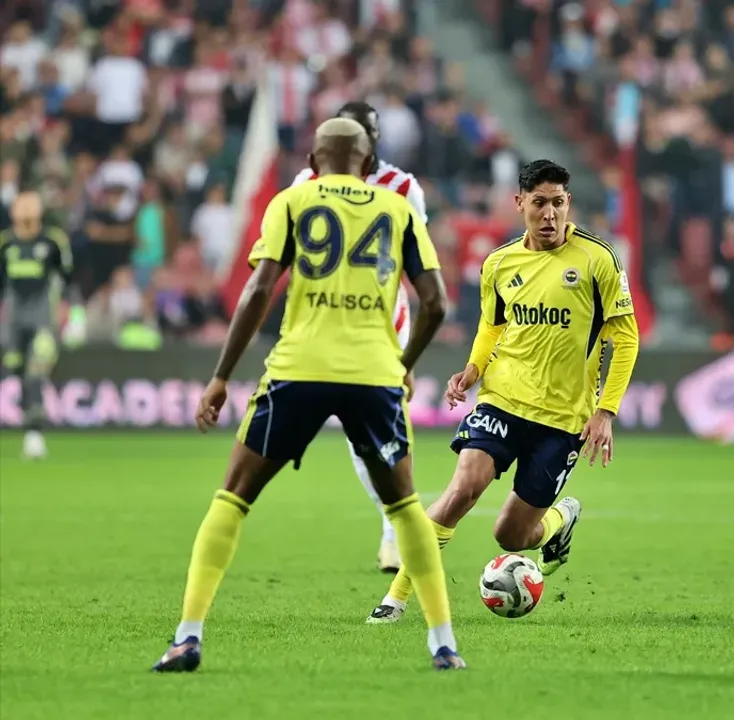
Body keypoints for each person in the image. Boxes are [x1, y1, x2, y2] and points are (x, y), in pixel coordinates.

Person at [152, 118, 465, 672]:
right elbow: (436, 303)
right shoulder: (397, 210)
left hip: (299, 368)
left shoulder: (292, 201)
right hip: (373, 373)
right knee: (405, 506)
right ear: (369, 164)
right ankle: (443, 645)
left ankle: (187, 638)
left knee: (233, 495)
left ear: (314, 161)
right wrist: (402, 364)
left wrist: (222, 375)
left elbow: (258, 289)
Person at [364, 159, 640, 624]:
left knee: (512, 536)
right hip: (502, 400)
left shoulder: (598, 260)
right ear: (519, 203)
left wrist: (606, 411)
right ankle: (396, 598)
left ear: (568, 202)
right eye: (539, 203)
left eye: (558, 203)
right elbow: (492, 326)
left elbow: (626, 338)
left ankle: (558, 520)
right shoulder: (499, 263)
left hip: (563, 419)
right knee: (461, 490)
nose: (550, 214)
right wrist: (473, 369)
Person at [290, 100, 426, 574]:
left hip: (382, 328)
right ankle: (397, 524)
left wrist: (407, 357)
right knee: (350, 436)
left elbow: (418, 269)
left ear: (375, 140)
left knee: (380, 430)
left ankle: (395, 530)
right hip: (323, 327)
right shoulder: (305, 184)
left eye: (365, 133)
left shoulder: (404, 188)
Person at [0, 192, 75, 459]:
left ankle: (35, 435)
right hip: (12, 321)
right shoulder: (5, 244)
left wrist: (73, 315)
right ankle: (29, 425)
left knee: (35, 373)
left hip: (43, 318)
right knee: (16, 371)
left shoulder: (53, 241)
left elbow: (67, 280)